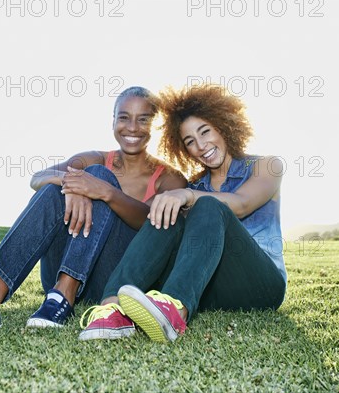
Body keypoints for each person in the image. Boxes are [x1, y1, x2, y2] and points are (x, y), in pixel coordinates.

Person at [0, 87, 187, 337]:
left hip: (115, 279)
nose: (132, 128)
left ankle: (67, 293)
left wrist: (104, 191)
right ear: (113, 122)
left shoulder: (171, 179)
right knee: (58, 188)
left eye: (143, 120)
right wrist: (72, 185)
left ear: (156, 126)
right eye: (124, 118)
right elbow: (38, 177)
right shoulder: (93, 157)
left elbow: (151, 223)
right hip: (60, 269)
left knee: (98, 177)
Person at [79, 84, 287, 343]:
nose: (201, 145)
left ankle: (175, 312)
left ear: (223, 125)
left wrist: (187, 195)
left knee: (209, 206)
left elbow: (242, 203)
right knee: (167, 211)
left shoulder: (266, 165)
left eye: (205, 132)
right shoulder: (195, 185)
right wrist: (174, 200)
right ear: (184, 149)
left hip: (262, 284)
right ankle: (112, 309)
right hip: (213, 288)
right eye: (190, 141)